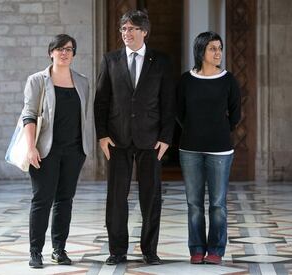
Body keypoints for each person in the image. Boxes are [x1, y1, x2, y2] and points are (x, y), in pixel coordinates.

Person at [94, 10, 175, 265]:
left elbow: (168, 102)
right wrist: (102, 136)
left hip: (151, 140)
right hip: (117, 140)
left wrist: (166, 137)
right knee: (116, 198)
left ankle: (150, 251)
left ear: (144, 32)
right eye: (123, 29)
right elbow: (101, 100)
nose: (126, 34)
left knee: (150, 198)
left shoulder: (160, 61)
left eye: (131, 29)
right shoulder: (110, 60)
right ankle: (117, 251)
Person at [21, 34, 92, 268]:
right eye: (60, 49)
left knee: (65, 201)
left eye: (69, 49)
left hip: (74, 151)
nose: (64, 53)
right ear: (51, 52)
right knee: (41, 200)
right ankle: (35, 252)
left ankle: (59, 249)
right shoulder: (37, 80)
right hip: (44, 151)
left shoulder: (82, 81)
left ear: (73, 54)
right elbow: (29, 115)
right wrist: (31, 147)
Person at [176, 31, 241, 265]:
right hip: (190, 149)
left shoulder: (228, 80)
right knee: (194, 203)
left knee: (217, 204)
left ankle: (215, 250)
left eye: (219, 48)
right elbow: (178, 111)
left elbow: (236, 114)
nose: (218, 53)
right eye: (213, 48)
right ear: (201, 51)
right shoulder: (186, 80)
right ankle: (196, 248)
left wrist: (219, 131)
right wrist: (193, 129)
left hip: (220, 150)